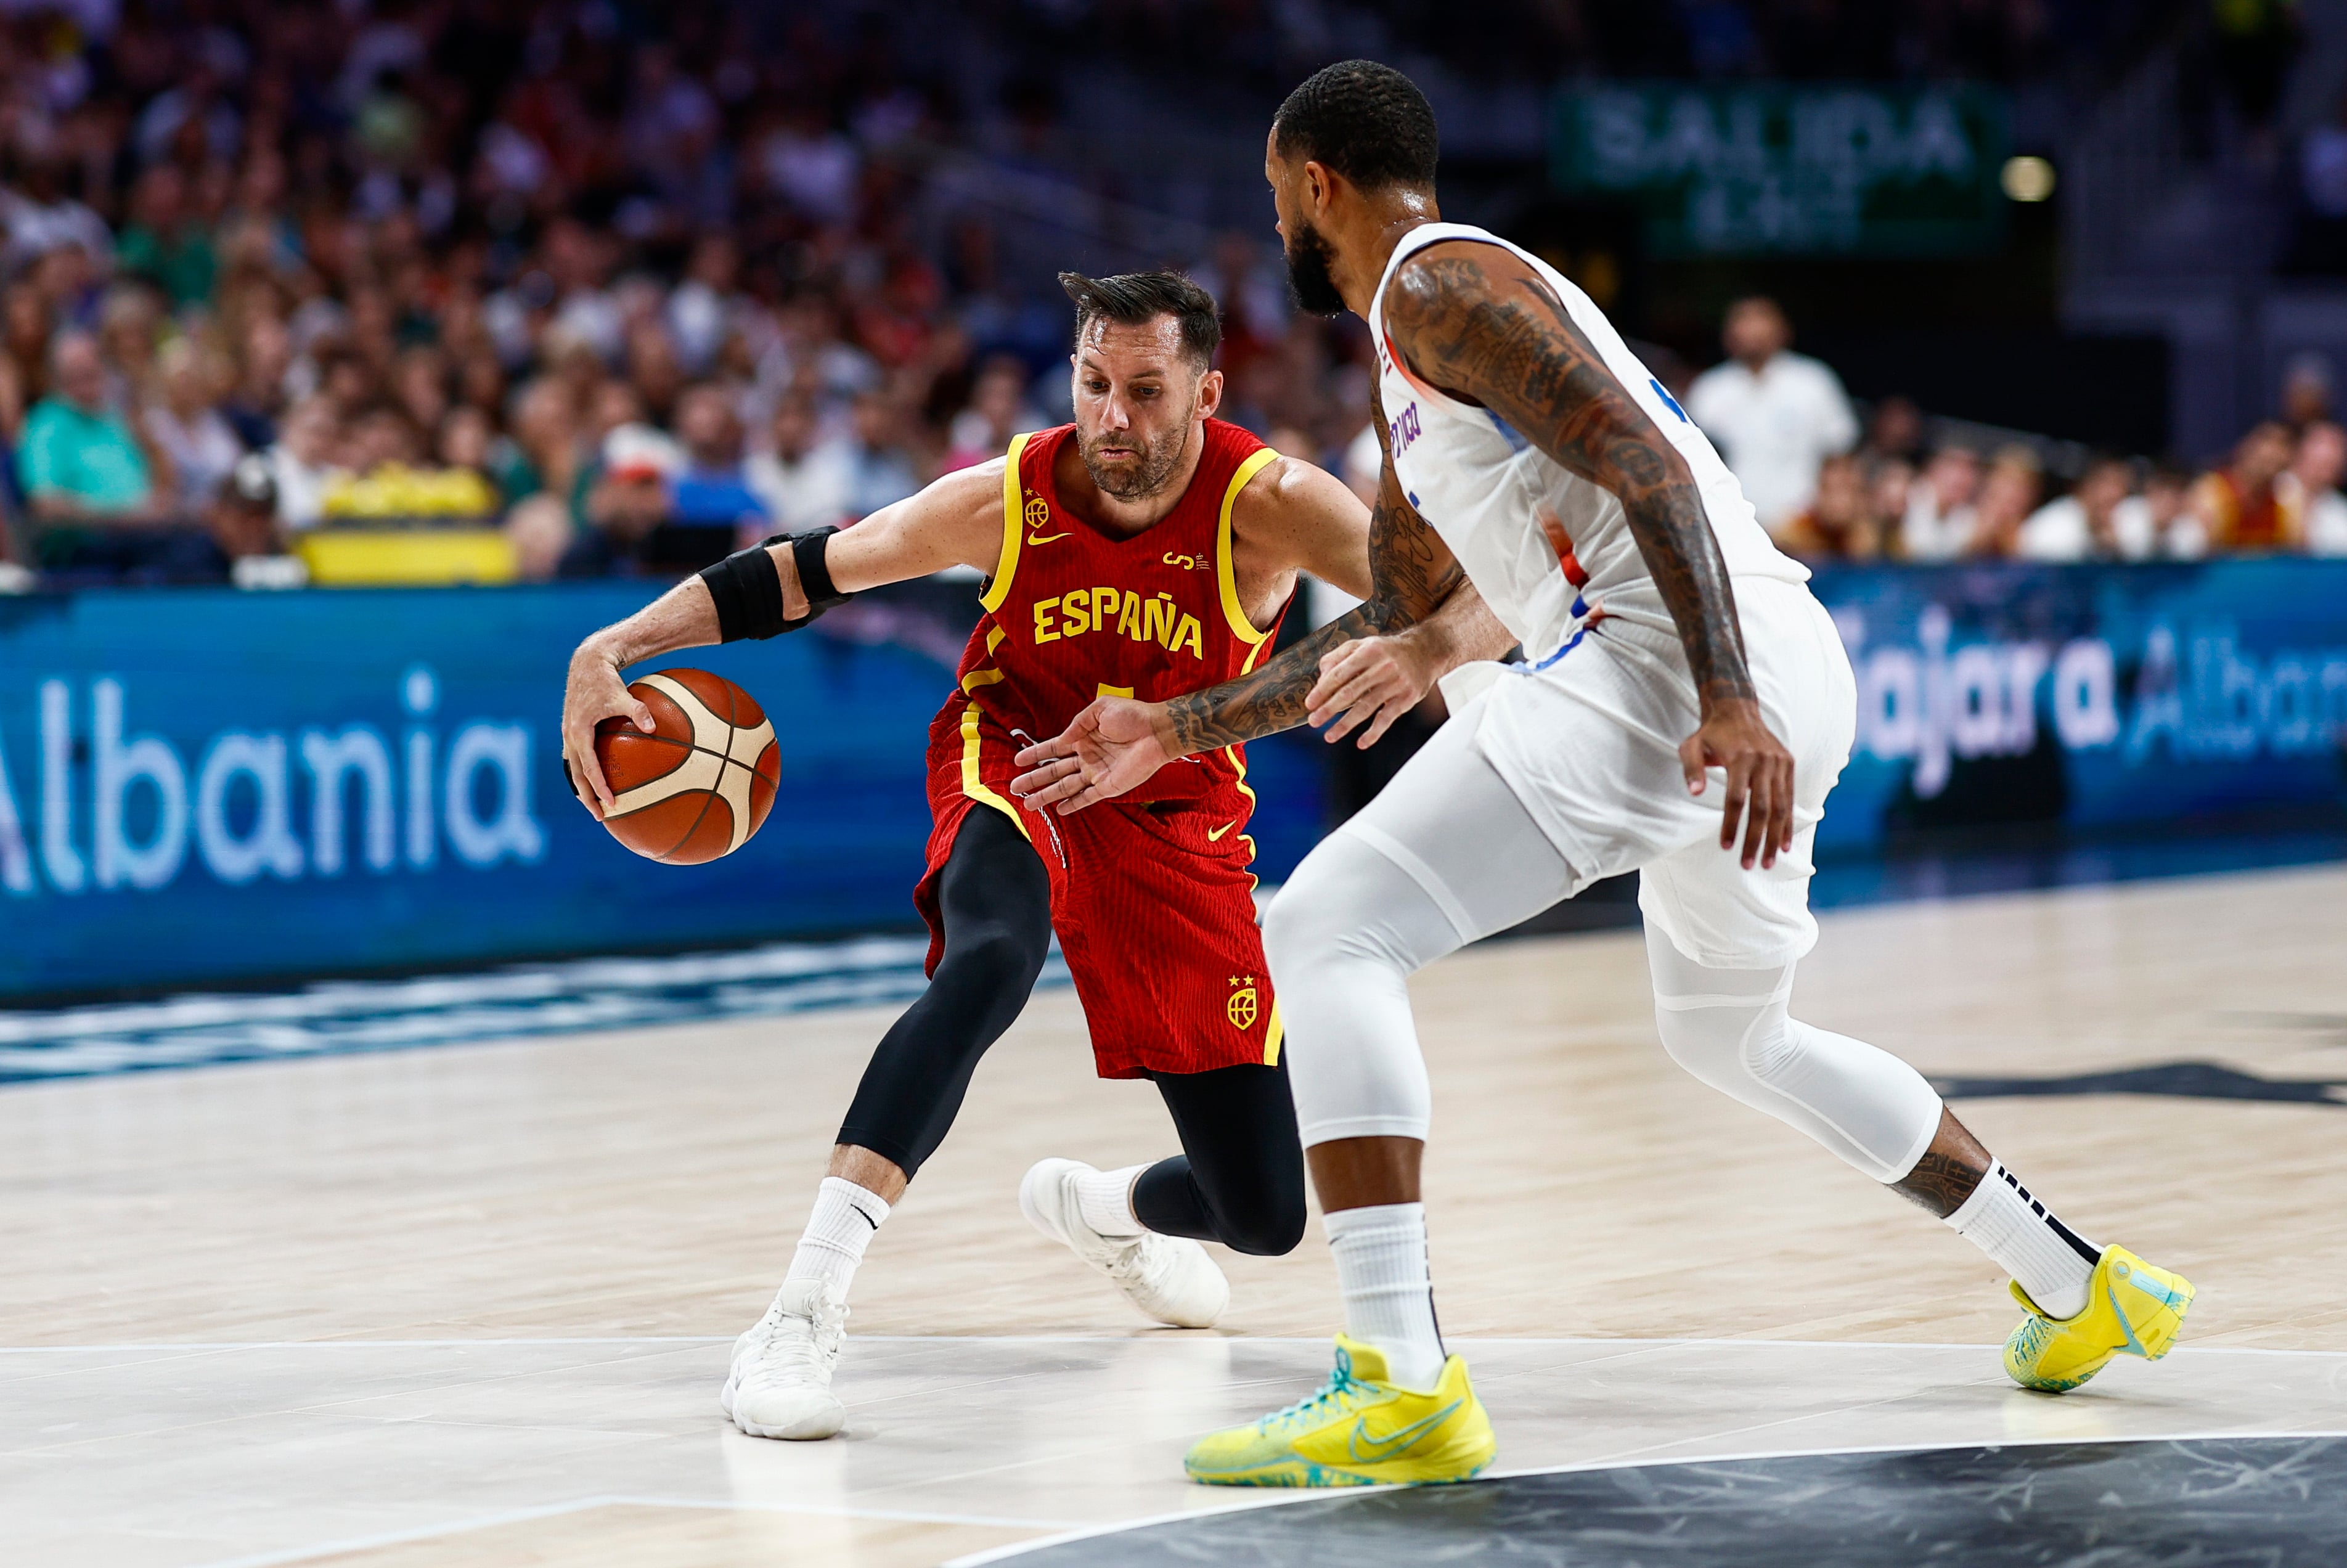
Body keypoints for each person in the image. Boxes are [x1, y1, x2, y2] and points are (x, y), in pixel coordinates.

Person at [1014, 60, 2198, 1490]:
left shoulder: (1438, 286)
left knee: (1331, 929)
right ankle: (2076, 1282)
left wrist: (1721, 693)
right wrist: (1172, 724)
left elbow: (1645, 458)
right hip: (1755, 666)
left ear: (1317, 181)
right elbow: (1395, 624)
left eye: (1277, 203)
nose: (1277, 237)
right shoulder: (1418, 368)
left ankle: (1398, 1380)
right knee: (1732, 1031)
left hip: (1678, 677)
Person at [558, 269, 1509, 1445]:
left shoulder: (1270, 503)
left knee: (1262, 1213)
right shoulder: (1007, 495)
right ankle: (801, 1308)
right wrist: (617, 639)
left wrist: (1440, 660)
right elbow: (811, 570)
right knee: (989, 962)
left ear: (1207, 392)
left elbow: (1487, 597)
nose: (1114, 418)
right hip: (1019, 757)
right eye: (1094, 384)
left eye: (1147, 392)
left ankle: (1108, 1209)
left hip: (1174, 804)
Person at [1683, 295, 1857, 531]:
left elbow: (1839, 453)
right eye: (1743, 321)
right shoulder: (1709, 390)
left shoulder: (1813, 382)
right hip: (1730, 525)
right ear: (1728, 335)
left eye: (1761, 320)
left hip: (1803, 524)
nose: (1752, 330)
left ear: (1783, 330)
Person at [2188, 422, 2300, 552]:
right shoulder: (2211, 493)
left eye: (2284, 446)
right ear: (2245, 447)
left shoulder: (2285, 503)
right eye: (2268, 442)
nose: (2277, 453)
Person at [2018, 455, 2148, 561]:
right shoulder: (2056, 528)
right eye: (2108, 484)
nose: (2115, 494)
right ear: (2087, 485)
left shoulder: (2115, 527)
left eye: (2122, 487)